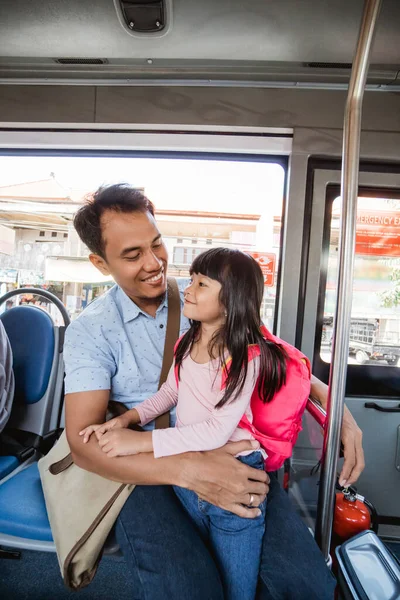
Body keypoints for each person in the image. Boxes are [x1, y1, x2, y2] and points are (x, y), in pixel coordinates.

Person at [65, 184, 364, 600]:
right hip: (144, 468)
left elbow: (274, 359)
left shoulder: (208, 297)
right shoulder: (91, 330)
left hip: (227, 446)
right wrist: (189, 469)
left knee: (306, 586)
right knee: (188, 589)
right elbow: (83, 447)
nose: (154, 264)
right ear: (100, 263)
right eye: (132, 255)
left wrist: (338, 411)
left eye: (157, 244)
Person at [80, 247, 293, 600]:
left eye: (202, 284)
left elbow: (216, 432)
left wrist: (141, 442)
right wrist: (127, 420)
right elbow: (168, 394)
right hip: (188, 476)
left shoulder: (245, 358)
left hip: (234, 475)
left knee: (237, 591)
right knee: (202, 578)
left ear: (231, 300)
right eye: (192, 279)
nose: (188, 289)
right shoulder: (188, 341)